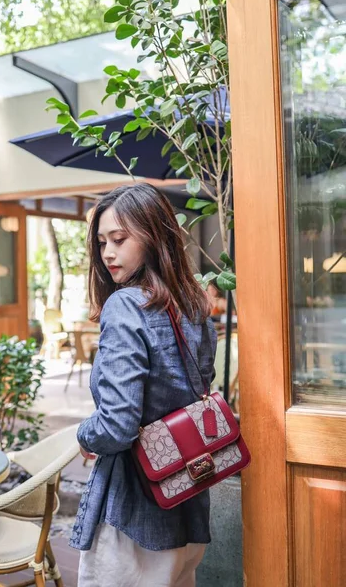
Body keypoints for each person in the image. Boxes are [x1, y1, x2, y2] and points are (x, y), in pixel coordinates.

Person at [71, 183, 217, 587]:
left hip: (133, 513)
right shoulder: (194, 304)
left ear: (154, 236)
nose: (107, 253)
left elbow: (117, 424)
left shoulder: (125, 305)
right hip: (188, 493)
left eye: (119, 239)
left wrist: (86, 433)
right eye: (101, 242)